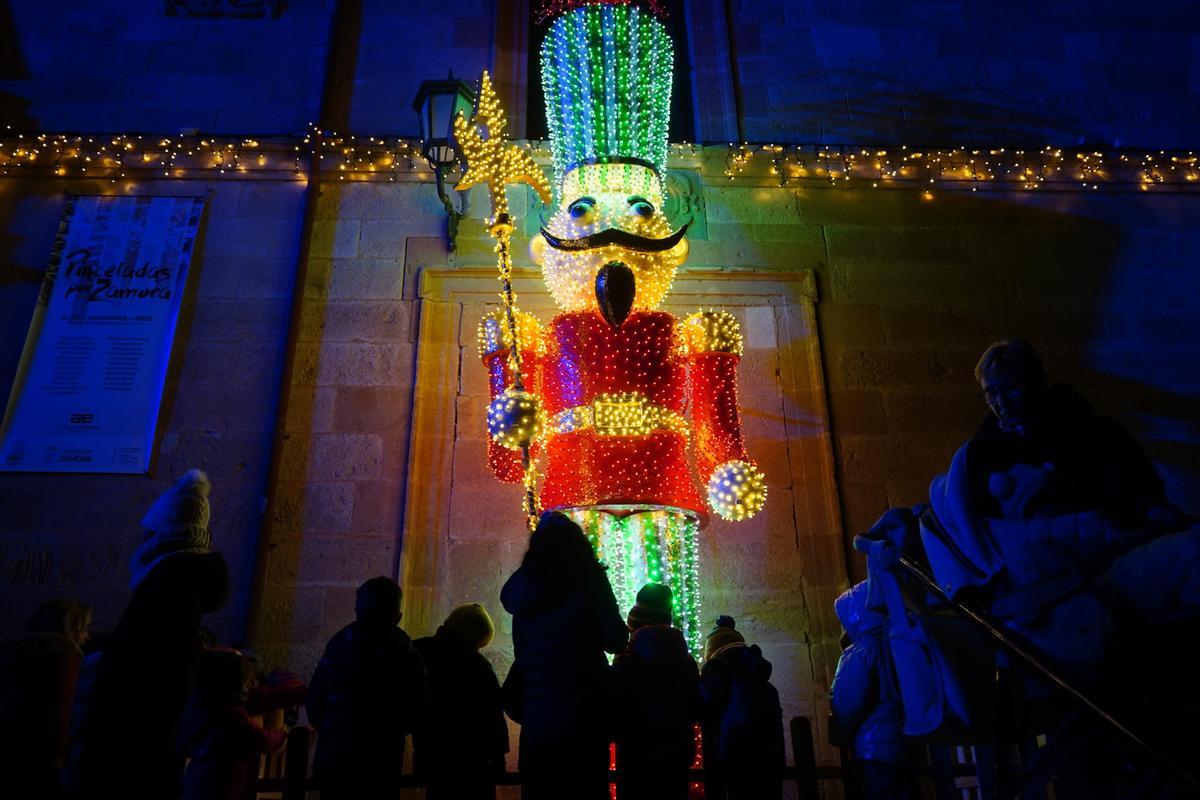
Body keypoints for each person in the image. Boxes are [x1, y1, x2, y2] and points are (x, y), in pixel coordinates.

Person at [66, 469, 230, 800]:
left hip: (134, 740)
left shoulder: (169, 582)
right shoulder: (179, 582)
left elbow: (143, 661)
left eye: (148, 532)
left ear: (165, 534)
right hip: (147, 737)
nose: (142, 538)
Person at [500, 511, 629, 800]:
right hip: (583, 714)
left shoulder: (524, 590)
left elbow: (523, 652)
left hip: (538, 716)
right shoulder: (589, 581)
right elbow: (616, 640)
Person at [306, 576, 428, 800]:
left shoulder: (338, 649)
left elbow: (315, 703)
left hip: (336, 757)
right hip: (381, 760)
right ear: (397, 616)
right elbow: (416, 710)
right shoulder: (406, 657)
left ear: (358, 610)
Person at [611, 582, 701, 800]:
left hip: (635, 755)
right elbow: (696, 706)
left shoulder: (626, 661)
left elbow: (614, 708)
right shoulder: (685, 661)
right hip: (675, 753)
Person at [177, 649, 306, 800]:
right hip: (219, 788)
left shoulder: (207, 702)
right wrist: (282, 733)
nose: (251, 682)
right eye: (246, 677)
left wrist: (298, 693)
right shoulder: (231, 715)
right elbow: (262, 740)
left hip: (199, 784)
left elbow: (267, 698)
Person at [830, 582, 917, 799]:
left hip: (874, 746)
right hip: (907, 742)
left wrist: (841, 734)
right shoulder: (902, 642)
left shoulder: (861, 651)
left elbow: (847, 702)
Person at [413, 603, 508, 799]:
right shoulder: (478, 666)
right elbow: (494, 717)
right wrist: (499, 760)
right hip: (474, 762)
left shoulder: (419, 652)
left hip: (432, 755)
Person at [0, 599, 92, 800]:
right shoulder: (65, 657)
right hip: (44, 760)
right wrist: (60, 760)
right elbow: (63, 712)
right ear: (71, 627)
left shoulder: (12, 653)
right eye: (84, 628)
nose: (86, 637)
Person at [699, 615, 784, 800]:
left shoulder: (718, 675)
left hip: (735, 758)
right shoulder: (765, 684)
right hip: (769, 759)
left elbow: (704, 709)